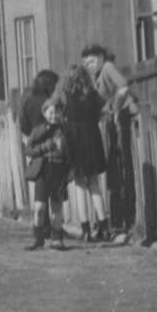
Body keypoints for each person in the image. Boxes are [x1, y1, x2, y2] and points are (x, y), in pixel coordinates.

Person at [83, 44, 137, 242]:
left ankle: (126, 222)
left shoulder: (107, 67)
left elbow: (123, 86)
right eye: (86, 63)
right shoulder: (97, 76)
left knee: (123, 168)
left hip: (125, 119)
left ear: (100, 57)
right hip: (113, 124)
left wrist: (116, 109)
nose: (89, 65)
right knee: (116, 170)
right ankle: (118, 222)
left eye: (91, 61)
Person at [58, 64, 110, 242]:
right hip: (93, 138)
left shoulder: (67, 97)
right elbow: (100, 113)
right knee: (94, 184)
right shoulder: (93, 95)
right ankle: (104, 227)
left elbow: (62, 118)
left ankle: (86, 229)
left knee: (80, 185)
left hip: (76, 141)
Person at [23, 98, 72, 251]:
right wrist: (43, 147)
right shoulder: (38, 130)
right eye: (50, 112)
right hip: (43, 170)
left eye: (57, 112)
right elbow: (28, 150)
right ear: (44, 113)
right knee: (39, 208)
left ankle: (57, 239)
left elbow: (73, 152)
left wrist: (71, 171)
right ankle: (38, 239)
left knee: (56, 208)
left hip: (59, 171)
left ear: (61, 113)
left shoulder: (66, 130)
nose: (54, 115)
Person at [20, 70, 61, 249]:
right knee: (55, 201)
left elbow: (23, 125)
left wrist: (34, 136)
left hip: (39, 156)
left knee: (40, 199)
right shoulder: (55, 102)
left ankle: (43, 231)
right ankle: (54, 233)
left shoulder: (28, 102)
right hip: (54, 156)